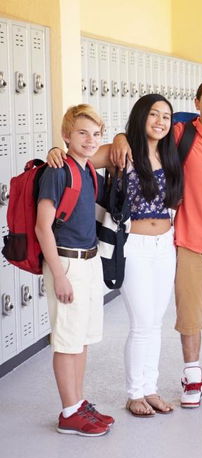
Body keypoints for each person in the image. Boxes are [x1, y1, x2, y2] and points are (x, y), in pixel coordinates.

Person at [111, 78, 202, 408]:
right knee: (188, 315)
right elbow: (146, 129)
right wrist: (118, 136)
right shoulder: (180, 133)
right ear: (197, 103)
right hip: (187, 239)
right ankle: (191, 375)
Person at [48, 94, 184, 417]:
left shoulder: (170, 153)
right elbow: (76, 160)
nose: (160, 122)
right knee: (140, 321)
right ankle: (135, 392)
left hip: (164, 245)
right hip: (133, 245)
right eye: (153, 114)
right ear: (140, 116)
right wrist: (55, 151)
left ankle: (150, 388)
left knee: (155, 321)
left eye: (166, 116)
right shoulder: (121, 151)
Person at [36, 104, 113, 436]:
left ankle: (79, 404)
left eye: (96, 134)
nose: (90, 140)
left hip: (89, 260)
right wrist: (60, 274)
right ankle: (69, 412)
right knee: (67, 340)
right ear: (66, 135)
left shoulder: (87, 170)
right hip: (66, 262)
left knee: (81, 339)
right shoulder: (57, 171)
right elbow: (43, 227)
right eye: (82, 133)